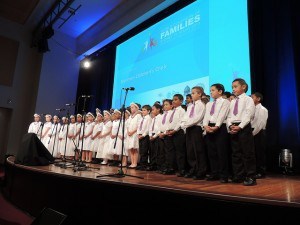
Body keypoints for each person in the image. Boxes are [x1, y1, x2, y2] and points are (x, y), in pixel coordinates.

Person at [227, 78, 256, 186]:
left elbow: (249, 115)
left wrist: (240, 126)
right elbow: (229, 115)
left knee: (247, 153)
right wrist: (230, 125)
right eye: (232, 87)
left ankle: (251, 176)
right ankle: (238, 175)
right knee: (236, 153)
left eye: (235, 86)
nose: (233, 89)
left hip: (243, 127)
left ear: (243, 87)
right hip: (233, 127)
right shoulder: (233, 101)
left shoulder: (248, 99)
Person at [203, 84, 230, 183]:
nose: (211, 92)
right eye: (210, 90)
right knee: (212, 152)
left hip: (220, 128)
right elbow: (206, 116)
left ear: (220, 91)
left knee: (221, 152)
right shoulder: (209, 104)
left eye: (213, 90)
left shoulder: (225, 102)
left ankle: (224, 175)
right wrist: (205, 125)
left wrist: (217, 126)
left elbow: (222, 115)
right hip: (209, 127)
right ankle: (215, 173)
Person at [181, 86, 207, 180]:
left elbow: (197, 118)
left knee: (198, 151)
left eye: (193, 93)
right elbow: (185, 117)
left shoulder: (201, 104)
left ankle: (201, 171)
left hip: (196, 128)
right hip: (189, 128)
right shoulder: (190, 106)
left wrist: (186, 124)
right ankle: (193, 169)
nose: (191, 95)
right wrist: (183, 124)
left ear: (199, 94)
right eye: (191, 93)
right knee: (190, 150)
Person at [165, 94, 187, 177]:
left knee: (179, 152)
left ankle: (181, 169)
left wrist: (174, 130)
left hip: (178, 132)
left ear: (181, 101)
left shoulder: (182, 110)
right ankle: (171, 168)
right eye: (173, 99)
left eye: (176, 99)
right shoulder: (171, 111)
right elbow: (169, 122)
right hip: (170, 133)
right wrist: (167, 130)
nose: (173, 101)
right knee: (170, 152)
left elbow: (180, 122)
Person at [251, 92, 268, 179]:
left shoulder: (262, 109)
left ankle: (261, 172)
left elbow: (260, 124)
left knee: (259, 153)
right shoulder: (252, 108)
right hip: (252, 132)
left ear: (258, 99)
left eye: (252, 97)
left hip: (259, 132)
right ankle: (254, 171)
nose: (251, 99)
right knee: (252, 153)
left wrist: (252, 134)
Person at [158, 99, 173, 174]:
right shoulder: (163, 115)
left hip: (167, 134)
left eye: (167, 104)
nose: (165, 106)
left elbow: (169, 124)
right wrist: (159, 133)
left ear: (171, 105)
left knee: (168, 152)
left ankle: (169, 167)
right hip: (161, 134)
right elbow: (160, 125)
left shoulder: (171, 113)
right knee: (162, 152)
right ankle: (163, 166)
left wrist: (164, 133)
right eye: (164, 104)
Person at [148, 103, 163, 171]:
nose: (152, 111)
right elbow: (151, 127)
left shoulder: (160, 117)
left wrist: (154, 136)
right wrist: (150, 135)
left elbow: (159, 128)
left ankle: (158, 166)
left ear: (158, 109)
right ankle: (152, 165)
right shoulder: (154, 118)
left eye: (153, 109)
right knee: (152, 152)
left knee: (158, 152)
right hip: (152, 136)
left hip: (157, 136)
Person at [136, 105, 152, 170]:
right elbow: (139, 127)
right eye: (142, 110)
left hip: (145, 136)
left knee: (144, 151)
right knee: (141, 151)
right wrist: (138, 134)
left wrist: (143, 135)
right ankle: (141, 164)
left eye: (144, 110)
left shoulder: (149, 118)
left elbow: (148, 128)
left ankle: (144, 165)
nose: (143, 111)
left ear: (148, 111)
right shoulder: (142, 118)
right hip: (140, 135)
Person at [127, 103, 142, 168]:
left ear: (136, 108)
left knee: (134, 148)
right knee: (131, 149)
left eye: (133, 107)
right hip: (129, 134)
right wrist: (128, 131)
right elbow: (127, 125)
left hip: (134, 134)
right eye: (131, 107)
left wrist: (132, 132)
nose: (131, 109)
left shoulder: (138, 116)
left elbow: (139, 126)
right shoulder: (130, 116)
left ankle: (135, 163)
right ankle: (132, 162)